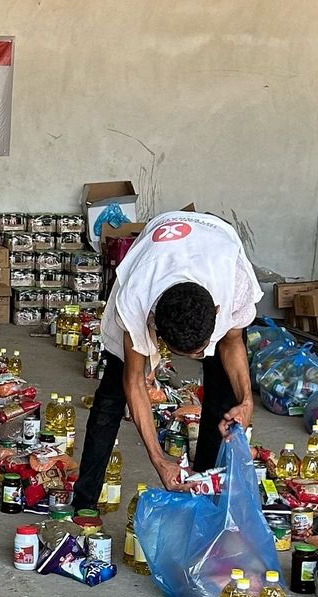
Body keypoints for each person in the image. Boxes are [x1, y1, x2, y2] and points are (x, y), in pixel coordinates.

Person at [73, 210, 262, 510]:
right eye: (190, 355)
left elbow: (233, 341)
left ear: (216, 312)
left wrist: (247, 401)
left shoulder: (233, 281)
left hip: (215, 238)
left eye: (201, 350)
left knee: (224, 397)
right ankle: (84, 501)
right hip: (156, 249)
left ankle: (203, 489)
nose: (200, 357)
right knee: (110, 396)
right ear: (156, 329)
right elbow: (133, 382)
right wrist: (159, 460)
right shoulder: (135, 298)